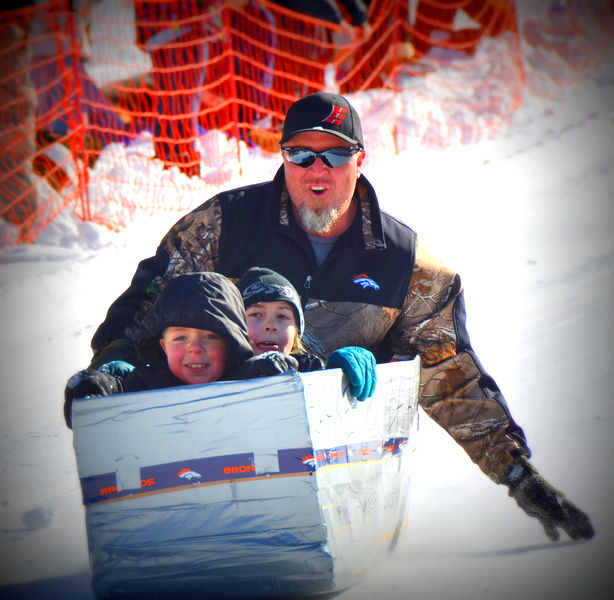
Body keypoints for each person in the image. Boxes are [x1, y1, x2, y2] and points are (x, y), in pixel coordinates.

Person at [88, 91, 594, 542]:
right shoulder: (223, 226)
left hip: (337, 474)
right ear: (284, 158)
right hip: (216, 454)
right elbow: (150, 305)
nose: (317, 168)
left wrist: (515, 474)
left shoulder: (405, 264)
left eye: (334, 153)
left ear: (360, 160)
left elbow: (449, 372)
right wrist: (113, 365)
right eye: (301, 154)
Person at [63, 271, 298, 427]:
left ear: (231, 344)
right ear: (162, 346)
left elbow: (317, 370)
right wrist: (95, 386)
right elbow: (116, 386)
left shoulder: (250, 377)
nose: (195, 348)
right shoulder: (147, 384)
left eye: (210, 337)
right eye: (180, 338)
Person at [236, 265, 377, 398]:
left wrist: (338, 375)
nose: (271, 325)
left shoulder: (310, 371)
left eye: (282, 316)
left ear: (297, 334)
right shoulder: (218, 371)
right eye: (256, 315)